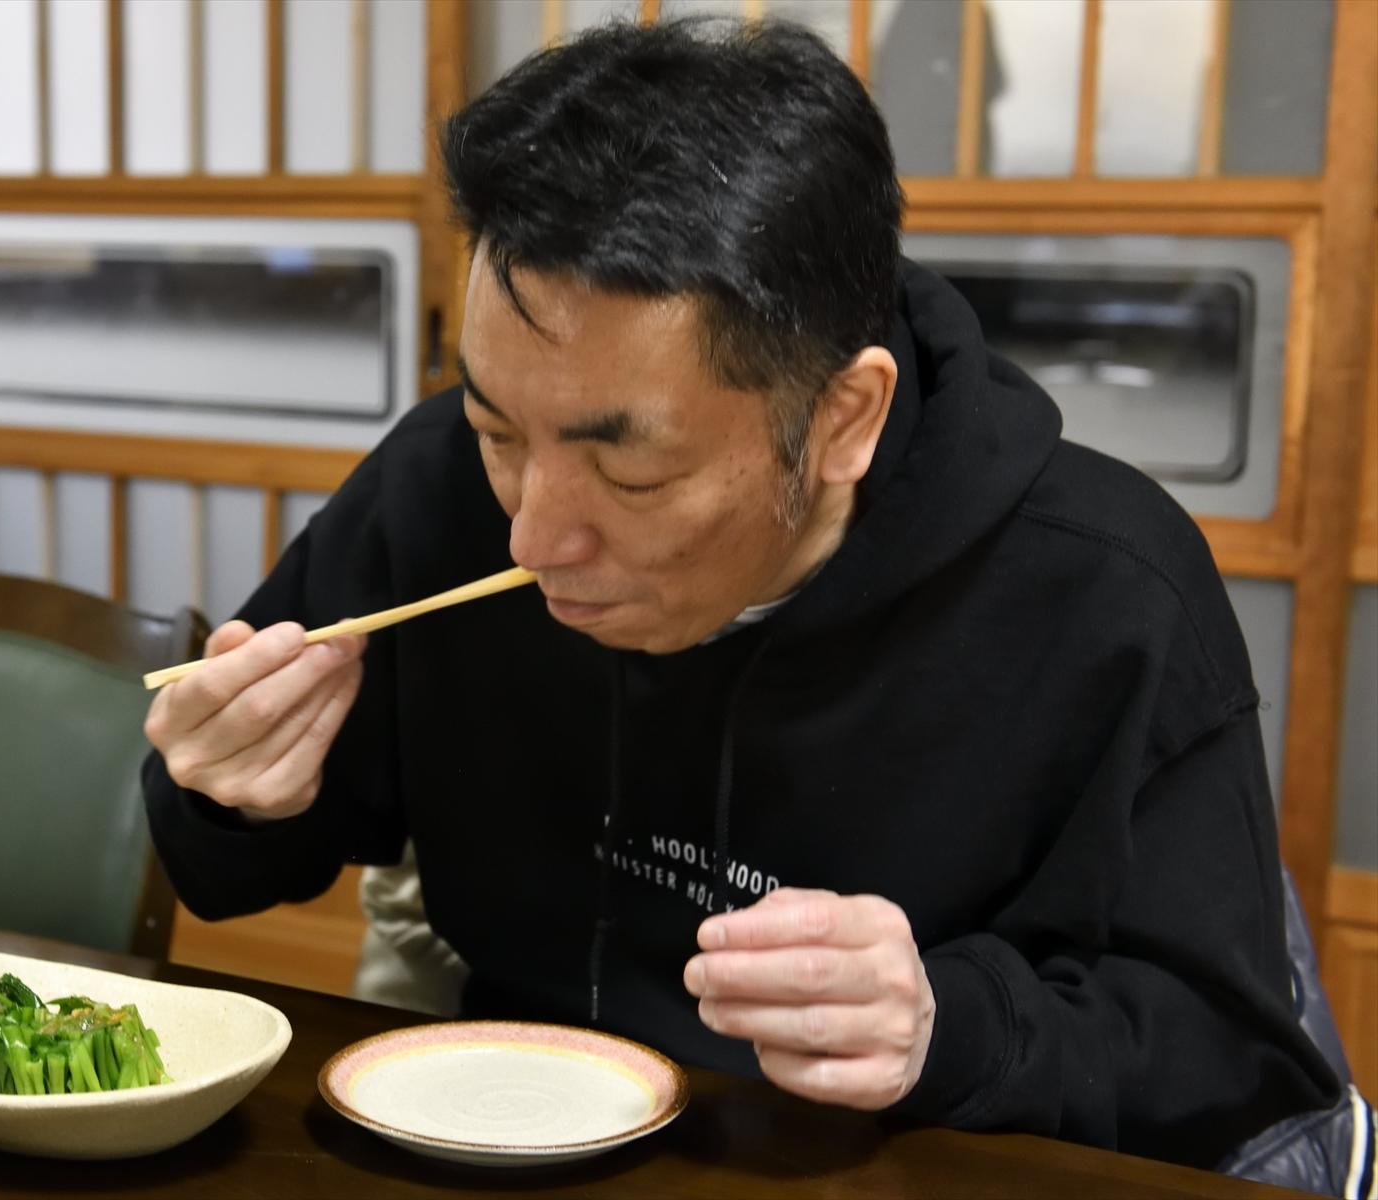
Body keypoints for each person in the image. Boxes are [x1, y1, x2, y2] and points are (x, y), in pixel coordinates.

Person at [143, 16, 1356, 1187]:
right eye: (497, 430)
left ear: (844, 420)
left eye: (633, 471)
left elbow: (1227, 1055)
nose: (534, 533)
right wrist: (225, 788)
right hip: (518, 1139)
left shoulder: (1100, 589)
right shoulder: (437, 489)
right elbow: (236, 869)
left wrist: (949, 1028)